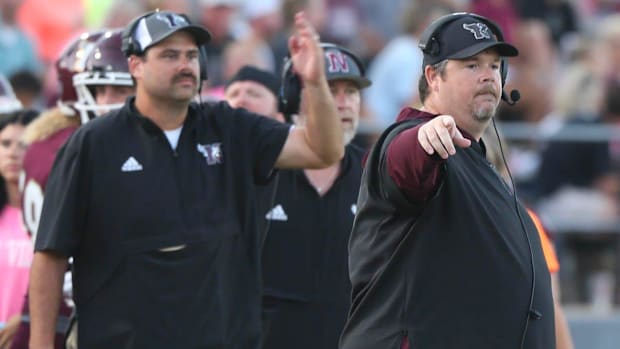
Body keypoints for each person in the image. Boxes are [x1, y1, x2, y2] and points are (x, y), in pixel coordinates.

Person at [28, 10, 342, 349]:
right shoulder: (92, 144)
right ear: (135, 66)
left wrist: (314, 83)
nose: (185, 65)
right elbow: (50, 253)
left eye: (192, 55)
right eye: (169, 55)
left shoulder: (231, 127)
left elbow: (322, 149)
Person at [339, 13, 555, 349]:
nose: (488, 76)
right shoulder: (414, 139)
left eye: (495, 66)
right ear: (433, 76)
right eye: (471, 65)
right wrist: (426, 137)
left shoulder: (474, 159)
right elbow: (404, 163)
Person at [10, 29, 135, 349]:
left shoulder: (43, 143)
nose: (108, 100)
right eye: (101, 88)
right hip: (73, 306)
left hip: (49, 304)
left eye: (120, 89)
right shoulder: (79, 149)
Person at [259, 43, 370, 349]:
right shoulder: (260, 171)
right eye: (330, 89)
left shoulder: (375, 176)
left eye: (352, 91)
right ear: (294, 98)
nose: (345, 103)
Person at [0, 109, 38, 349]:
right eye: (5, 143)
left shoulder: (51, 215)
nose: (13, 152)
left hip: (33, 337)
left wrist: (26, 319)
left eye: (23, 144)